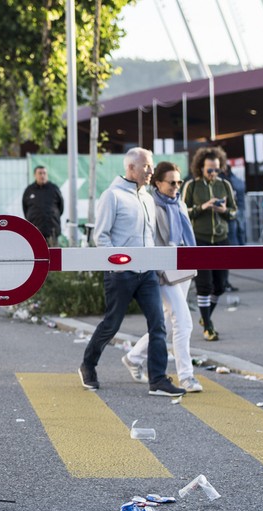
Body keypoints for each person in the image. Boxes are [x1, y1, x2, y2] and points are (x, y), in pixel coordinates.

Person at [77, 147, 185, 397]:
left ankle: (157, 379)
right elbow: (100, 237)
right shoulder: (112, 196)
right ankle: (88, 365)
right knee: (111, 325)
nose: (151, 170)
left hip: (147, 273)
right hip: (121, 274)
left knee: (158, 324)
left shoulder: (147, 196)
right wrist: (118, 266)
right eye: (147, 166)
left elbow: (150, 236)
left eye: (151, 165)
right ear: (131, 168)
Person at [122, 162, 203, 393]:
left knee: (167, 321)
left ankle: (133, 357)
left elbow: (186, 236)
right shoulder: (150, 205)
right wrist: (156, 269)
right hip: (161, 271)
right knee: (184, 323)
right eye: (171, 182)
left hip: (183, 268)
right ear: (157, 183)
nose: (176, 187)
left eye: (179, 182)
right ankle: (186, 377)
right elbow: (149, 240)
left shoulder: (180, 204)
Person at [182, 147, 237, 342]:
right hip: (199, 239)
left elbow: (234, 212)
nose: (213, 173)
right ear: (201, 168)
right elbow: (183, 212)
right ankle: (208, 326)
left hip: (222, 239)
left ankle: (206, 318)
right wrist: (202, 207)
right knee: (204, 285)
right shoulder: (192, 186)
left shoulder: (225, 185)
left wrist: (223, 210)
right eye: (209, 170)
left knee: (220, 286)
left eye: (216, 169)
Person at [22, 165, 64, 246]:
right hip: (35, 232)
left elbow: (61, 208)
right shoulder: (29, 190)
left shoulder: (54, 189)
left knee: (53, 256)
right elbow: (25, 209)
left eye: (44, 173)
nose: (42, 175)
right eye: (40, 173)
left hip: (52, 232)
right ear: (35, 175)